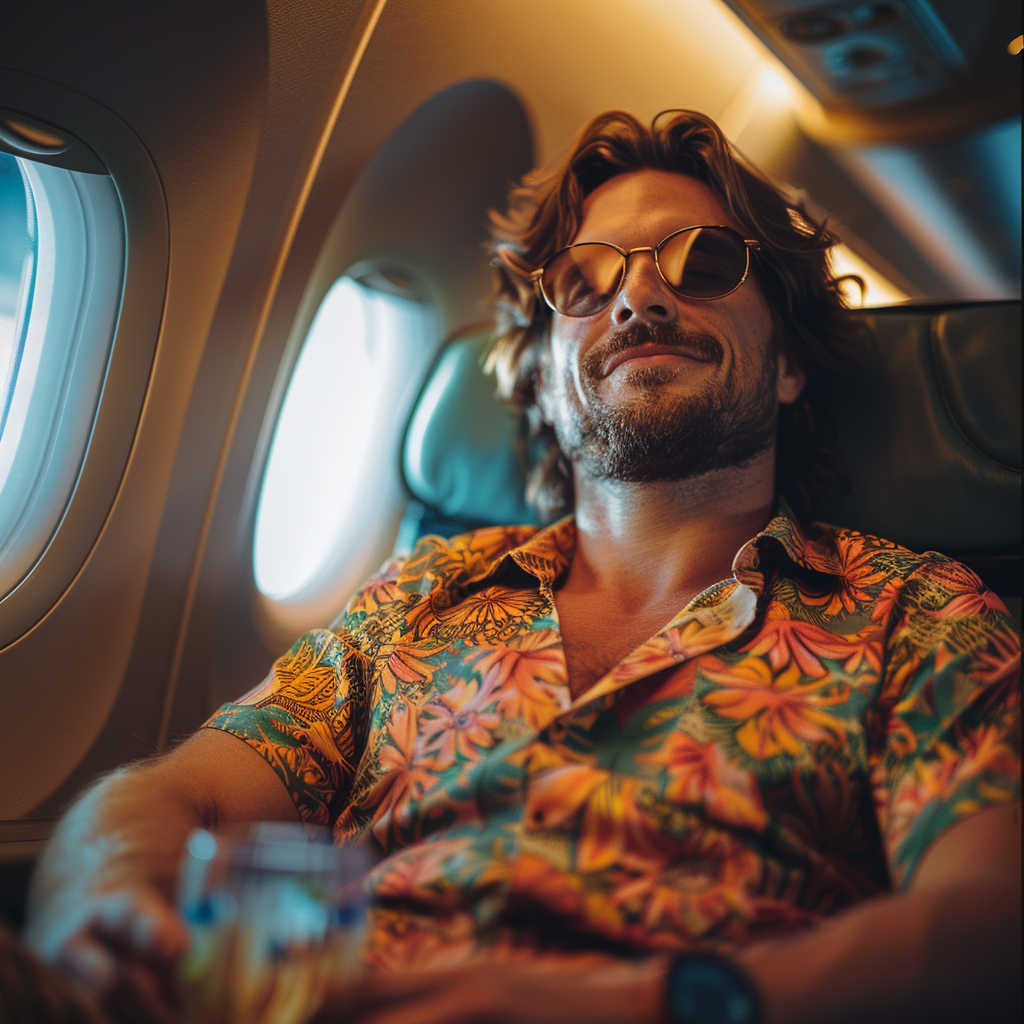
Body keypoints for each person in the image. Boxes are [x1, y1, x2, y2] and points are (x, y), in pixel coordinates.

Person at [27, 110, 1020, 1024]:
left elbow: (989, 923)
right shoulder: (420, 593)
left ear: (790, 360)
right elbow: (176, 795)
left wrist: (633, 1004)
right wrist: (105, 900)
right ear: (545, 379)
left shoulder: (916, 615)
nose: (636, 294)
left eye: (703, 261)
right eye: (583, 284)